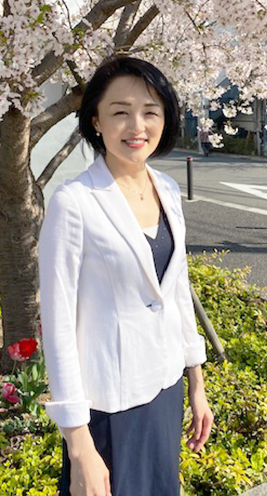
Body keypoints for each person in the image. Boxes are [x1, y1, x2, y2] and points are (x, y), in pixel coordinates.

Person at [38, 56, 213, 496]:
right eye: (120, 111)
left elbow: (175, 291)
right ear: (96, 120)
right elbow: (57, 327)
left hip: (165, 386)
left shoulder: (167, 190)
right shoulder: (74, 202)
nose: (137, 125)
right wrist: (79, 445)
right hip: (109, 406)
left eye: (150, 111)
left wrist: (196, 382)